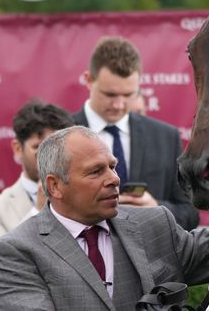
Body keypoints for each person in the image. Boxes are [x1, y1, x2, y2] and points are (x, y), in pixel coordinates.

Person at [0, 126, 209, 310]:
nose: (114, 179)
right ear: (55, 185)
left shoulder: (154, 224)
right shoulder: (14, 252)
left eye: (112, 167)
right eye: (96, 172)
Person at [72, 36, 198, 230]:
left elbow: (190, 214)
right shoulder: (61, 135)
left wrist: (157, 210)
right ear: (89, 80)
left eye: (128, 95)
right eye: (110, 94)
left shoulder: (165, 138)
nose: (119, 104)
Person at [0, 99, 74, 271]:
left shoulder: (84, 196)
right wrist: (38, 213)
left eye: (58, 149)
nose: (49, 158)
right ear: (17, 148)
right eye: (38, 147)